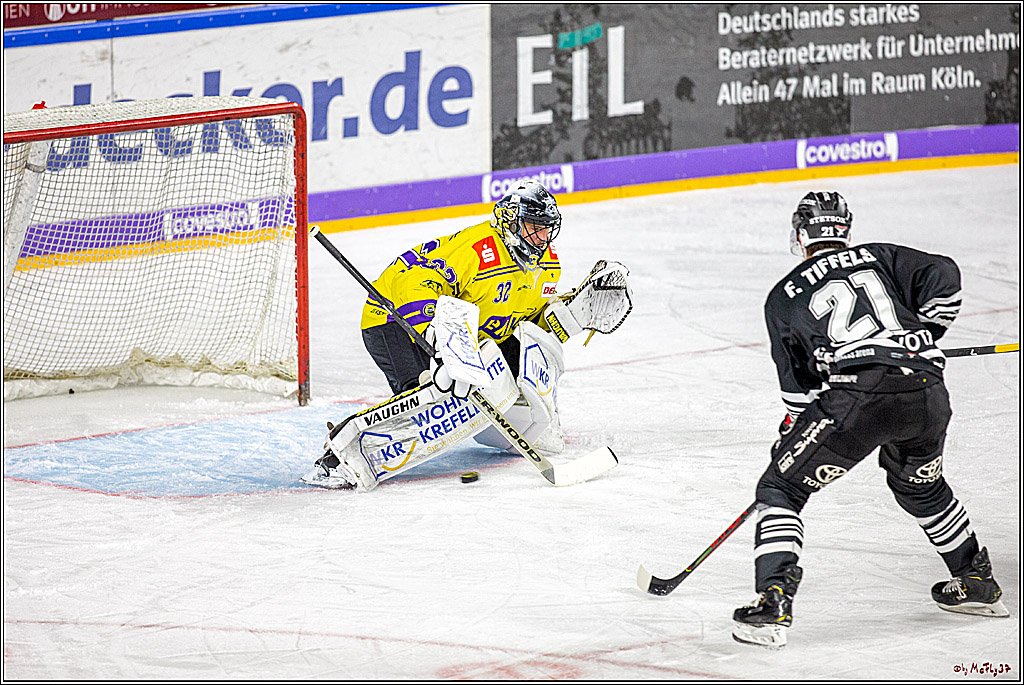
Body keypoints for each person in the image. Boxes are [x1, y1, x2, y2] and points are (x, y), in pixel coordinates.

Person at [732, 191, 1008, 650]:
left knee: (782, 487)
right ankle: (974, 578)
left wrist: (794, 437)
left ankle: (773, 602)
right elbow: (945, 273)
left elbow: (799, 393)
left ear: (801, 236)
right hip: (927, 393)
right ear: (845, 230)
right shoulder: (878, 256)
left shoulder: (783, 296)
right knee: (920, 486)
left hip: (861, 399)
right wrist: (923, 334)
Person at [301, 180, 632, 491]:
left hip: (470, 336)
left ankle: (531, 422)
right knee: (430, 399)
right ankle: (339, 457)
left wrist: (569, 317)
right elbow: (412, 282)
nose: (543, 236)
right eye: (534, 226)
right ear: (511, 222)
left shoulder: (548, 265)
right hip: (394, 320)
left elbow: (525, 326)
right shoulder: (476, 251)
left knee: (520, 358)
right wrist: (446, 346)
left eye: (547, 227)